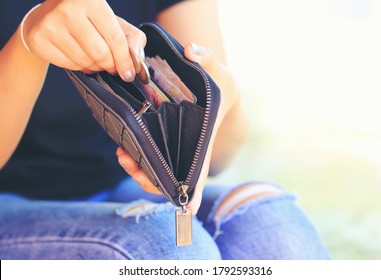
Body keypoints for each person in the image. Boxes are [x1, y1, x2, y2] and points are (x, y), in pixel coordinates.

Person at [0, 0, 329, 259]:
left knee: (272, 221)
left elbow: (218, 159)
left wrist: (222, 98)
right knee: (166, 250)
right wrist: (28, 43)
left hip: (114, 185)